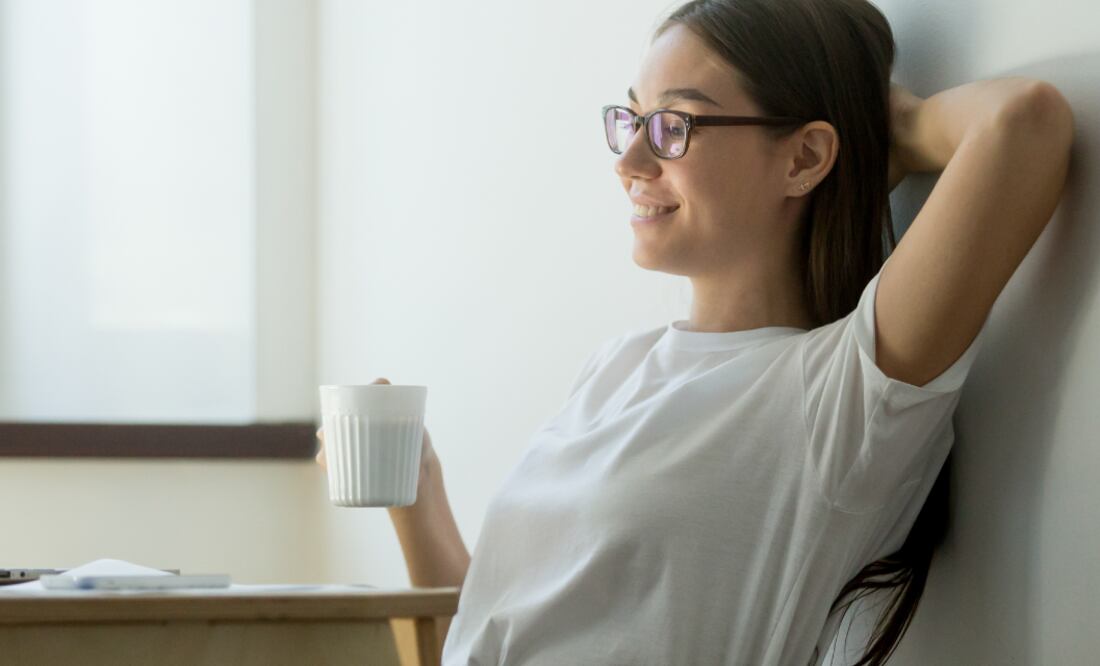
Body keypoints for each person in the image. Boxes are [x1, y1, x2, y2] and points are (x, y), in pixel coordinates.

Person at [319, 0, 1074, 663]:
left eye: (674, 125)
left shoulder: (837, 397)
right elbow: (496, 635)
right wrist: (419, 497)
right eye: (632, 119)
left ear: (805, 156)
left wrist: (890, 129)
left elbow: (1024, 123)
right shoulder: (617, 368)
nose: (631, 160)